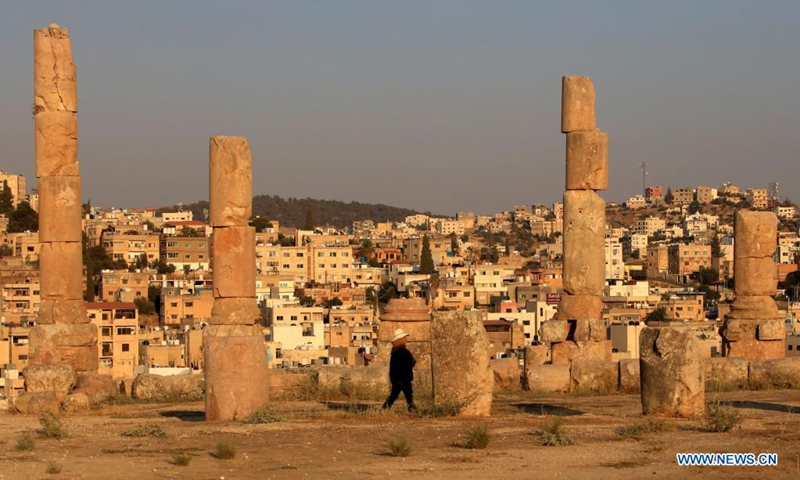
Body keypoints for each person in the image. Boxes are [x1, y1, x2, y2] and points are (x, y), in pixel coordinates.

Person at [382, 328, 417, 411]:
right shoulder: (401, 352)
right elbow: (403, 366)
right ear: (400, 339)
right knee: (406, 395)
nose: (406, 339)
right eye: (404, 337)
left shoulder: (396, 351)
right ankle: (412, 409)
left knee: (398, 395)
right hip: (402, 378)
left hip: (399, 378)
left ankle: (385, 408)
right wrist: (402, 378)